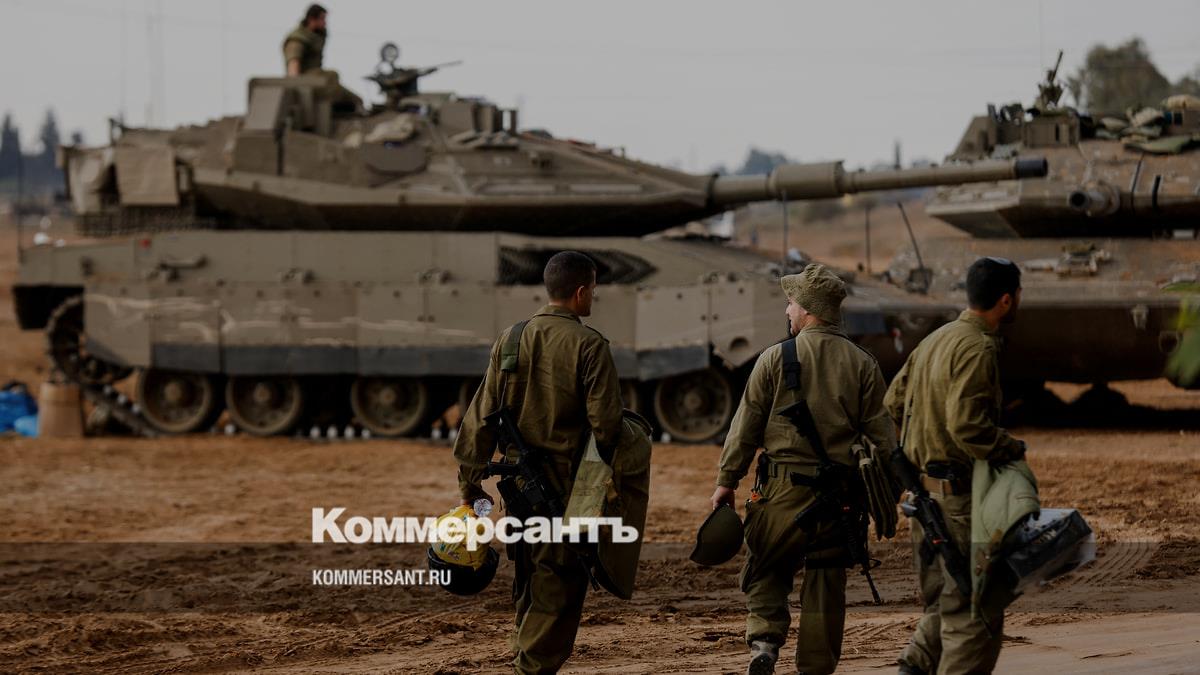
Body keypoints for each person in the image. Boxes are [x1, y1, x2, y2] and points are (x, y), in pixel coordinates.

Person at [710, 263, 895, 675]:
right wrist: (887, 496)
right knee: (826, 584)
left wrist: (726, 482)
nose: (787, 310)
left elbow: (745, 428)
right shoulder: (863, 363)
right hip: (838, 501)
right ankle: (815, 666)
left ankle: (764, 643)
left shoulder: (774, 358)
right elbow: (884, 442)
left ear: (808, 309)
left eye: (791, 303)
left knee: (765, 565)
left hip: (779, 494)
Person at [453, 251, 624, 674]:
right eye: (593, 291)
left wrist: (470, 487)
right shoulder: (589, 344)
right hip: (568, 487)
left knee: (529, 573)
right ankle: (529, 667)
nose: (593, 298)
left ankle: (522, 652)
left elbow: (480, 418)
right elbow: (606, 428)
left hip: (517, 486)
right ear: (580, 292)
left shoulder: (511, 338)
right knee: (559, 584)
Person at [885, 256, 1026, 675]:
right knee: (973, 614)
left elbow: (893, 401)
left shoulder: (936, 338)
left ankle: (913, 667)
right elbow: (968, 427)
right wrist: (1010, 448)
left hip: (924, 499)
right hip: (959, 504)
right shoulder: (978, 347)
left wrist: (923, 445)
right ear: (1006, 300)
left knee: (945, 600)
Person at [283, 4, 327, 76]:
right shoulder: (297, 39)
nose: (325, 22)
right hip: (303, 79)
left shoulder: (316, 36)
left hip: (313, 77)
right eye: (322, 18)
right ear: (312, 19)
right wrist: (295, 81)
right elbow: (293, 64)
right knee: (332, 75)